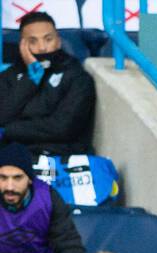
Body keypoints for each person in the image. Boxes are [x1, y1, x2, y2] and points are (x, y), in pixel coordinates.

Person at [0, 12, 96, 158]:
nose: (42, 47)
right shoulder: (10, 76)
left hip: (56, 160)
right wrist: (29, 82)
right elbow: (2, 115)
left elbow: (62, 128)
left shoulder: (77, 77)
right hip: (11, 159)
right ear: (22, 45)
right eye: (33, 41)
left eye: (48, 39)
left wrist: (9, 130)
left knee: (34, 178)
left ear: (58, 41)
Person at [0, 141, 85, 253]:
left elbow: (75, 251)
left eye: (17, 178)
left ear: (30, 179)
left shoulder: (48, 199)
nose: (9, 186)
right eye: (3, 178)